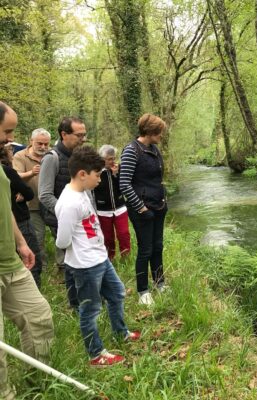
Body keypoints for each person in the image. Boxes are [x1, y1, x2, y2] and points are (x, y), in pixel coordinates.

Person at [55, 146, 141, 367]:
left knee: (117, 293)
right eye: (97, 175)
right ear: (83, 174)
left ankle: (121, 332)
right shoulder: (69, 203)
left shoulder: (82, 192)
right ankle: (96, 354)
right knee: (90, 309)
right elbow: (62, 241)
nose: (100, 180)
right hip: (85, 265)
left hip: (100, 258)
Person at [0, 101, 54, 399]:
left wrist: (20, 242)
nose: (10, 138)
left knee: (39, 317)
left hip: (10, 261)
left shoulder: (0, 165)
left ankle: (37, 388)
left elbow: (3, 206)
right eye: (7, 131)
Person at [119, 113, 168, 306]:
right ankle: (143, 291)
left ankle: (159, 283)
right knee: (145, 249)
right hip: (142, 210)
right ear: (150, 131)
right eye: (159, 132)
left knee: (157, 246)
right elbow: (124, 183)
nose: (161, 136)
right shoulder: (132, 150)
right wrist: (140, 207)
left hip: (159, 206)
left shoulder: (154, 149)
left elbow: (157, 179)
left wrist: (164, 199)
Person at [38, 117, 87, 310]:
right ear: (64, 134)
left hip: (81, 219)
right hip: (61, 219)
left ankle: (85, 298)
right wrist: (67, 212)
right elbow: (44, 194)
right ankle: (74, 304)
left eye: (84, 135)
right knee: (70, 262)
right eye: (79, 135)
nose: (83, 139)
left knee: (79, 259)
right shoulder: (52, 158)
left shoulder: (78, 155)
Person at [1, 144, 44, 288]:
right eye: (10, 151)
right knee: (31, 257)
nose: (12, 154)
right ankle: (34, 289)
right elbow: (29, 193)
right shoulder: (7, 171)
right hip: (19, 219)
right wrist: (20, 195)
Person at [12, 128, 51, 275]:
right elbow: (14, 176)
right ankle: (41, 267)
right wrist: (31, 172)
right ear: (31, 141)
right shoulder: (20, 156)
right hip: (32, 204)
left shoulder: (51, 155)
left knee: (59, 234)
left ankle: (62, 266)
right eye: (39, 143)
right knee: (38, 237)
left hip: (51, 203)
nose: (43, 147)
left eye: (46, 144)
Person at [94, 144, 130, 260]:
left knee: (123, 234)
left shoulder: (118, 168)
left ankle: (126, 257)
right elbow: (93, 189)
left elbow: (123, 187)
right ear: (102, 159)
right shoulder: (96, 171)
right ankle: (110, 258)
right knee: (108, 237)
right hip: (103, 210)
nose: (112, 161)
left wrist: (116, 175)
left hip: (120, 207)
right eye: (109, 159)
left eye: (114, 158)